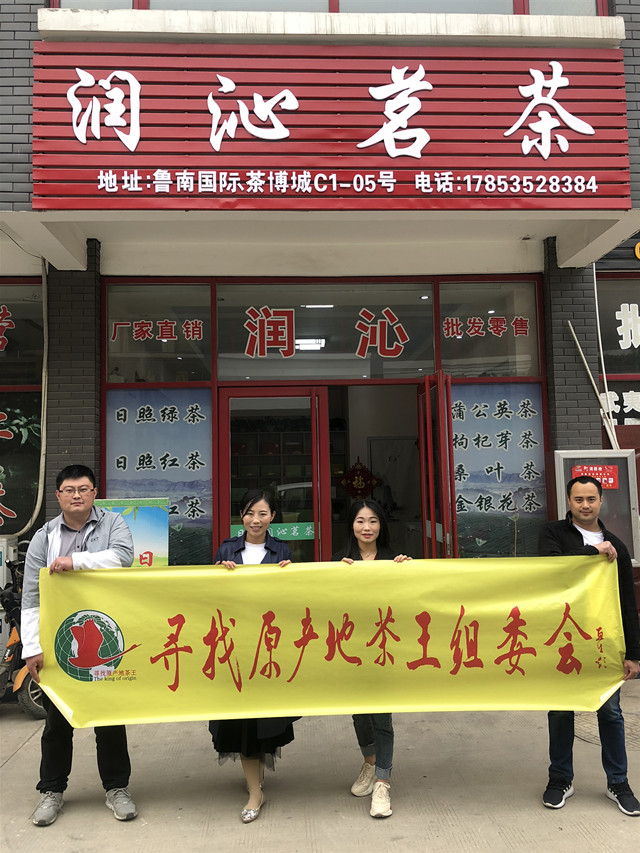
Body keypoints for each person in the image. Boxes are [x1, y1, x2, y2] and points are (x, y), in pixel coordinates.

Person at [22, 464, 137, 826]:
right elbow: (32, 594)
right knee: (58, 721)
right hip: (60, 641)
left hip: (105, 634)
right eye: (69, 490)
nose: (76, 495)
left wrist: (76, 562)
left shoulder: (113, 523)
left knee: (109, 718)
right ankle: (51, 791)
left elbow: (122, 558)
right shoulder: (44, 536)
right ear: (58, 495)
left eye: (84, 489)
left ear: (94, 493)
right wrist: (31, 647)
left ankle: (117, 788)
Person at [538, 475, 640, 817]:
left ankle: (618, 783)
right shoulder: (553, 533)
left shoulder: (617, 546)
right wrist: (592, 552)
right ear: (568, 501)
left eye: (591, 499)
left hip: (601, 642)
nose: (585, 505)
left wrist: (633, 653)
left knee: (610, 713)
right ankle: (560, 779)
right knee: (560, 711)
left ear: (600, 501)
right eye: (578, 499)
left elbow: (627, 603)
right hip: (562, 639)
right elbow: (550, 570)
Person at [209, 488, 298, 824]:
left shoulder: (282, 550)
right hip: (235, 646)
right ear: (241, 516)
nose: (255, 520)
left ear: (273, 516)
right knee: (242, 718)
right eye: (249, 513)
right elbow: (210, 595)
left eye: (262, 513)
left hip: (268, 647)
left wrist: (290, 576)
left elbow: (290, 598)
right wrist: (218, 573)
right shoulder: (226, 549)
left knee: (264, 717)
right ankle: (254, 792)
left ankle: (255, 778)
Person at [332, 497, 412, 819]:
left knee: (381, 715)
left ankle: (382, 781)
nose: (367, 527)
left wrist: (408, 572)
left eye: (373, 521)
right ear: (351, 525)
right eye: (360, 521)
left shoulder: (394, 559)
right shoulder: (339, 561)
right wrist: (336, 575)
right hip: (352, 648)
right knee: (358, 712)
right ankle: (369, 762)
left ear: (382, 525)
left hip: (383, 648)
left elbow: (409, 599)